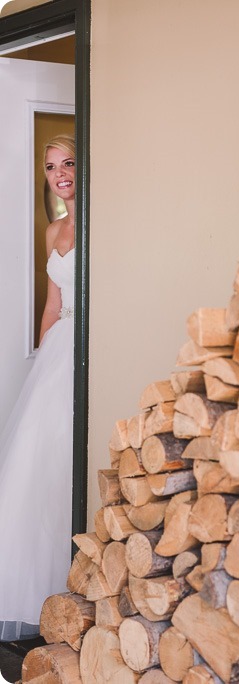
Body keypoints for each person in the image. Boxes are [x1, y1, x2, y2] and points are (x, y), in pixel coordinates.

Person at [0, 134, 75, 641]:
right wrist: (40, 358)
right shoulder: (53, 231)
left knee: (68, 465)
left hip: (93, 342)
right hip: (59, 351)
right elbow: (53, 303)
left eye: (68, 162)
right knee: (35, 466)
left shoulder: (106, 218)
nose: (60, 174)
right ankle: (39, 597)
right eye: (51, 168)